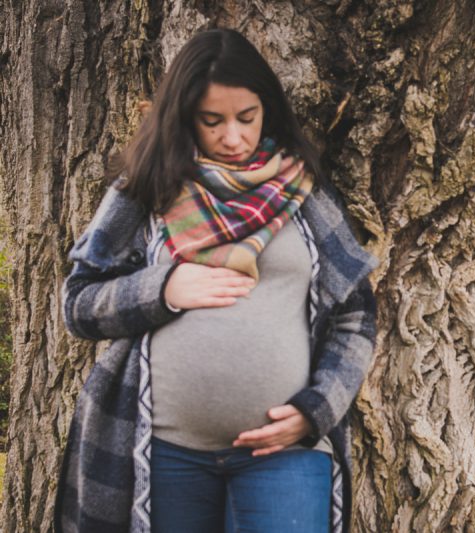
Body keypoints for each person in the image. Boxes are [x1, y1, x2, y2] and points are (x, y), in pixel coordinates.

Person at [54, 28, 377, 533]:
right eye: (212, 121)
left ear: (267, 110)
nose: (232, 136)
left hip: (286, 452)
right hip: (162, 452)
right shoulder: (146, 189)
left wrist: (317, 411)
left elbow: (356, 316)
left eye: (246, 117)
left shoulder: (304, 192)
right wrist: (162, 289)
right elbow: (78, 303)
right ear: (184, 116)